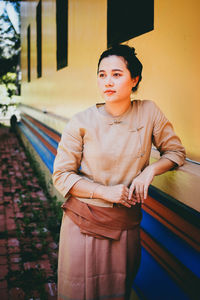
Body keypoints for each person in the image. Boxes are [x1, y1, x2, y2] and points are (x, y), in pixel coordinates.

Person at [53, 44, 186, 300]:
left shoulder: (149, 112)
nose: (107, 82)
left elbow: (175, 152)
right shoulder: (81, 121)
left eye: (116, 74)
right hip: (83, 223)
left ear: (134, 79)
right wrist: (106, 192)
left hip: (126, 225)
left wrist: (150, 171)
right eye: (102, 75)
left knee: (117, 291)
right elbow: (61, 175)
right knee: (80, 292)